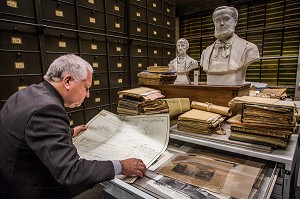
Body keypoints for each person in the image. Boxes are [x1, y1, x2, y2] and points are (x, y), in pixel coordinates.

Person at [0, 54, 146, 199]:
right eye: (86, 87)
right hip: (29, 191)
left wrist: (68, 132)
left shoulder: (29, 93)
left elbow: (32, 131)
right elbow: (70, 170)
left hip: (11, 182)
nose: (88, 95)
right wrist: (121, 166)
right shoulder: (48, 109)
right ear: (68, 81)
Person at [200, 6, 259, 85]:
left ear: (235, 22)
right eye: (217, 20)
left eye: (226, 19)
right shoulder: (205, 52)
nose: (221, 24)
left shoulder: (249, 48)